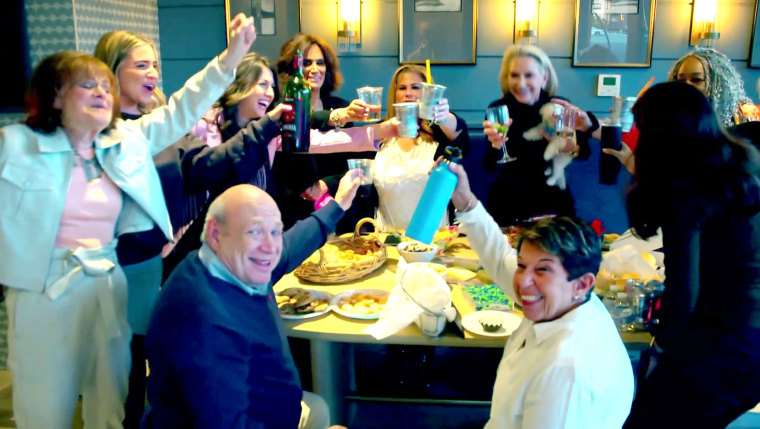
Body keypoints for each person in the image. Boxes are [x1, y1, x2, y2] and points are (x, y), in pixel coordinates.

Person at [0, 14, 254, 427]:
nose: (103, 92)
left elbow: (182, 107)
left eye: (106, 85)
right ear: (56, 96)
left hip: (108, 280)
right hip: (44, 289)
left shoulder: (125, 140)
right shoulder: (17, 145)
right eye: (88, 84)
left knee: (111, 402)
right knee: (45, 407)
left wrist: (231, 56)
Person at [142, 171, 362, 428]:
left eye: (275, 231)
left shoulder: (231, 262)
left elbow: (289, 248)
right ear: (215, 233)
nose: (270, 247)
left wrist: (338, 205)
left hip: (270, 412)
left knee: (319, 409)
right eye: (255, 232)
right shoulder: (203, 317)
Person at [446, 162, 634, 428]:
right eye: (522, 265)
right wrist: (464, 199)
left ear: (581, 283)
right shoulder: (567, 300)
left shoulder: (566, 371)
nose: (523, 281)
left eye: (542, 270)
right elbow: (499, 257)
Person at [621, 82, 760, 428]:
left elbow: (684, 293)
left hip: (727, 342)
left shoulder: (689, 190)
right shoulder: (738, 167)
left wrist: (661, 349)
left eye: (642, 128)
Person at [483, 44, 599, 227]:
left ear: (544, 78)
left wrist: (572, 147)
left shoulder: (558, 107)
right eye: (514, 75)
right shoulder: (499, 109)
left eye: (529, 75)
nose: (520, 83)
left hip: (552, 204)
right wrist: (496, 146)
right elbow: (490, 166)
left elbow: (582, 154)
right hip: (507, 205)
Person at [275, 33, 376, 231]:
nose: (315, 69)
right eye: (307, 63)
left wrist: (325, 184)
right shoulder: (282, 110)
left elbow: (358, 162)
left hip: (340, 212)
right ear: (293, 68)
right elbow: (281, 166)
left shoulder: (343, 108)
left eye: (320, 63)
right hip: (294, 215)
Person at [373, 63, 470, 231]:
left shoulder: (440, 132)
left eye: (416, 87)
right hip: (386, 239)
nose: (408, 93)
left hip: (434, 241)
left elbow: (460, 134)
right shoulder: (381, 133)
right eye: (402, 88)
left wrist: (443, 116)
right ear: (394, 95)